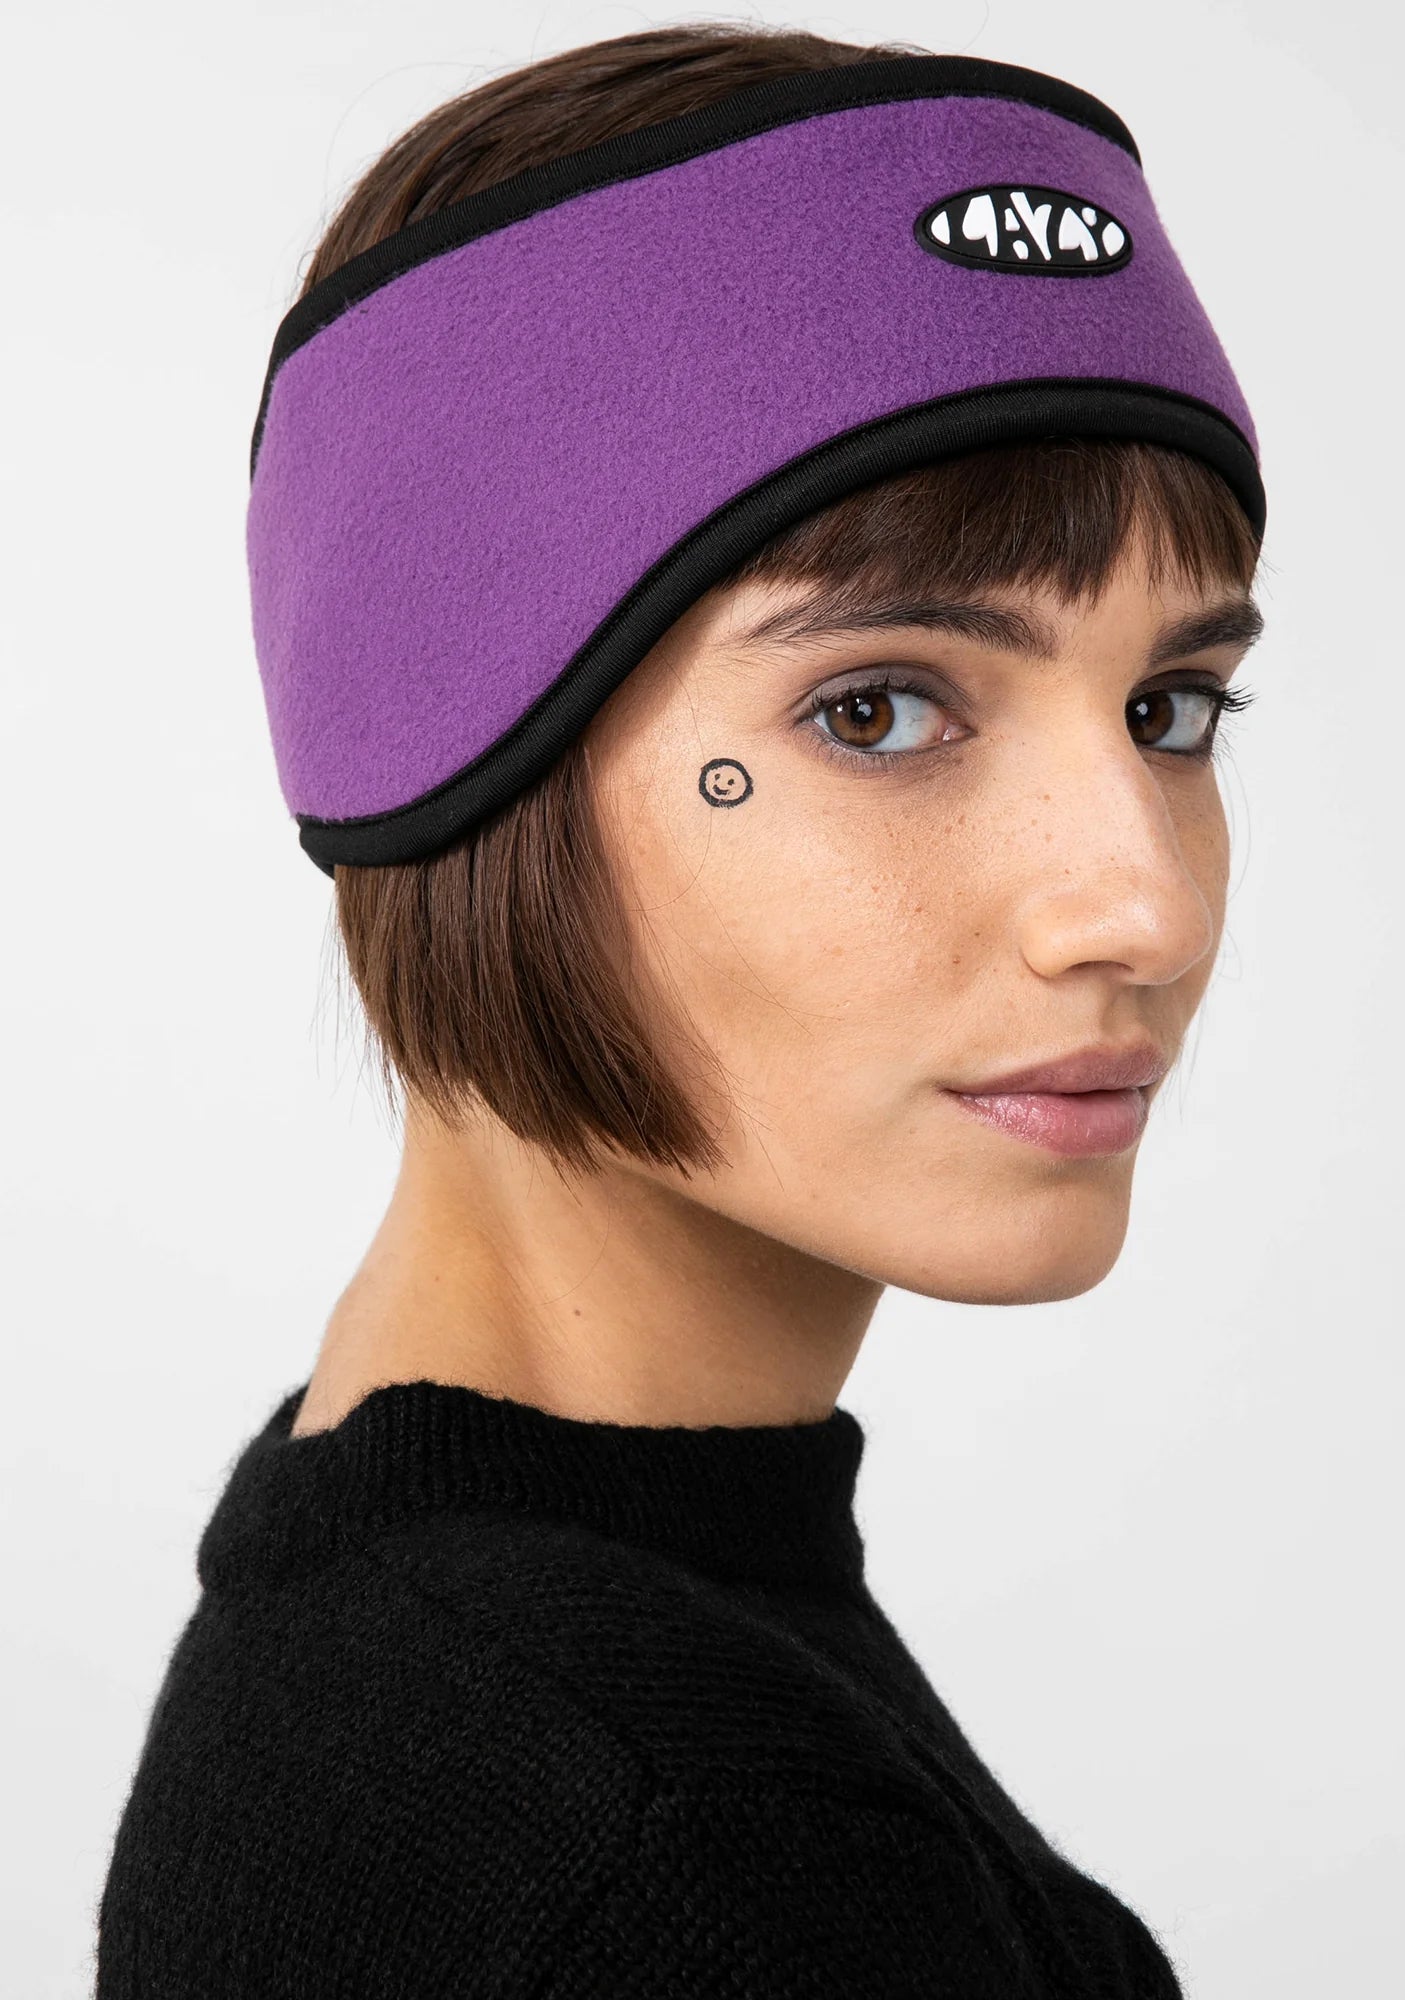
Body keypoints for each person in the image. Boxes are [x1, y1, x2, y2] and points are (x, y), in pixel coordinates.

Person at [96, 22, 1265, 1998]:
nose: (1139, 902)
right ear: (446, 754)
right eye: (876, 709)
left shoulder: (440, 1654)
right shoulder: (683, 1851)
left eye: (1169, 708)